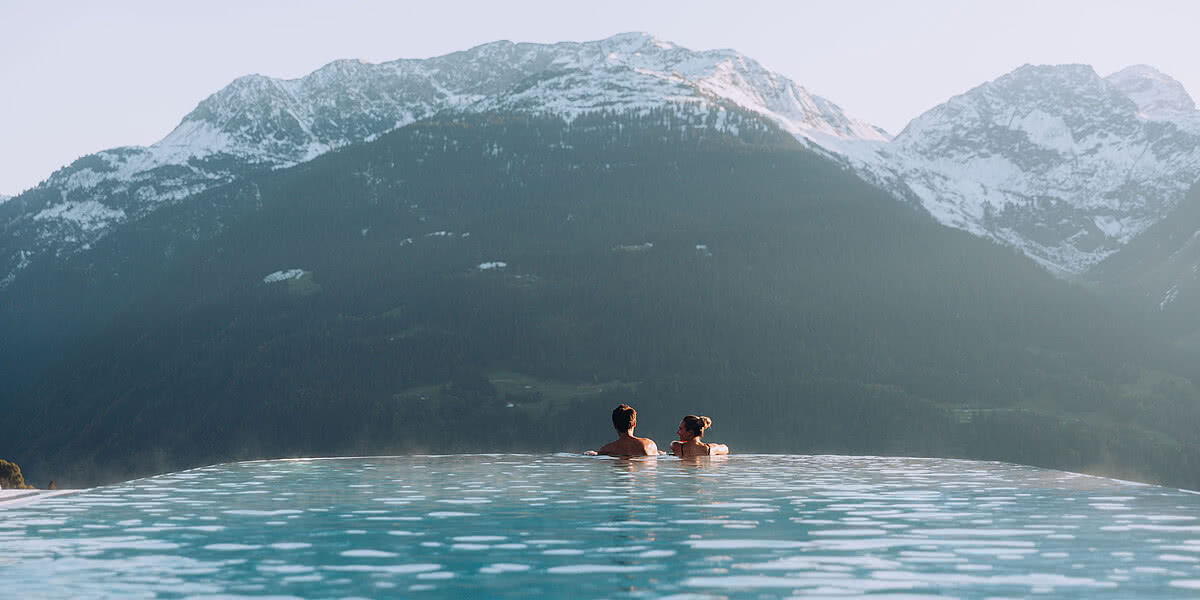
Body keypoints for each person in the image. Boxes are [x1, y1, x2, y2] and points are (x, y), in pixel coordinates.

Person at [587, 404, 659, 456]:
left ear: (614, 425)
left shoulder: (607, 449)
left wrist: (592, 453)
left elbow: (596, 456)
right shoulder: (649, 445)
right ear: (634, 424)